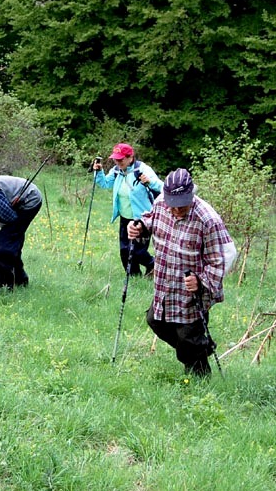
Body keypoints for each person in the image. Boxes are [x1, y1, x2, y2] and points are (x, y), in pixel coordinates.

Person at [128, 168, 237, 376]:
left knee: (188, 335)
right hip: (165, 282)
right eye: (173, 205)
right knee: (155, 320)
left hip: (191, 291)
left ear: (191, 195)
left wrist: (202, 281)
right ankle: (199, 351)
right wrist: (139, 228)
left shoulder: (207, 219)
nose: (176, 210)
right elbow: (151, 221)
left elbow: (225, 256)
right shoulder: (161, 203)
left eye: (182, 205)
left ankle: (199, 377)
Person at [93, 143, 162, 276]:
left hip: (142, 219)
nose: (118, 162)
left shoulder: (142, 169)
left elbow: (161, 187)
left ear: (130, 158)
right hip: (125, 218)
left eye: (121, 159)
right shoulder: (117, 171)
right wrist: (98, 171)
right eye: (115, 159)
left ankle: (153, 265)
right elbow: (105, 183)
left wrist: (149, 182)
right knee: (124, 251)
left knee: (137, 251)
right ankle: (134, 278)